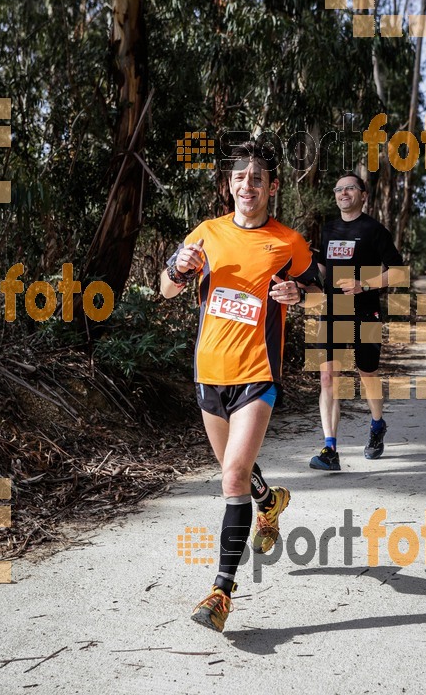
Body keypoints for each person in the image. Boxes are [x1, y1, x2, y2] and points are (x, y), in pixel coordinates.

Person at [160, 142, 320, 632]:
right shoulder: (206, 234)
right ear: (229, 185)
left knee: (232, 477)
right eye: (240, 177)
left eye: (257, 178)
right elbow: (166, 289)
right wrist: (176, 269)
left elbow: (317, 289)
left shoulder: (287, 243)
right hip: (209, 372)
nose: (247, 185)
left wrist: (299, 292)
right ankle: (270, 502)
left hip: (257, 372)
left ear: (272, 187)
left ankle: (221, 592)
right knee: (238, 471)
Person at [309, 173, 404, 472]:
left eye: (350, 187)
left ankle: (377, 425)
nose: (343, 192)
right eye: (338, 189)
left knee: (367, 374)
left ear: (363, 195)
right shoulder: (329, 229)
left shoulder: (375, 230)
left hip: (365, 311)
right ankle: (330, 448)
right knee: (328, 378)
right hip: (334, 308)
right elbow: (323, 266)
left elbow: (399, 272)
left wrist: (365, 283)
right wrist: (306, 275)